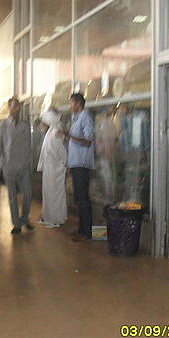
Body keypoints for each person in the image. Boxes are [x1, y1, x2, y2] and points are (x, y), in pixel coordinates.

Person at [0, 97, 33, 235]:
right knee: (12, 196)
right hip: (9, 166)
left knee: (28, 194)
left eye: (18, 107)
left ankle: (24, 218)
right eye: (13, 107)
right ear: (9, 108)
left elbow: (29, 146)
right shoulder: (3, 126)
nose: (16, 109)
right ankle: (16, 224)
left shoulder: (25, 125)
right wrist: (3, 164)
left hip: (23, 166)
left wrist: (28, 163)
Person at [64, 93, 95, 242]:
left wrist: (69, 136)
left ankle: (86, 232)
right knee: (78, 197)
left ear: (78, 104)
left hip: (82, 165)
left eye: (71, 103)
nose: (70, 106)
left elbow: (88, 141)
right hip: (76, 164)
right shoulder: (77, 118)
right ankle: (82, 229)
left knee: (83, 198)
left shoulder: (86, 117)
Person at [36, 108, 67, 228]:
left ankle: (56, 219)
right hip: (50, 168)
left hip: (55, 169)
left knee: (55, 194)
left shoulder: (57, 130)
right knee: (48, 192)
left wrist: (64, 163)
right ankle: (47, 217)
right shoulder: (52, 129)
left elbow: (62, 151)